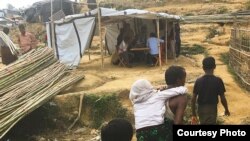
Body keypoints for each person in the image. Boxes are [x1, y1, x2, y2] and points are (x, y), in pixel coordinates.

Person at [191, 56, 230, 125]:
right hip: (212, 109)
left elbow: (193, 98)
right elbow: (223, 98)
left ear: (203, 68)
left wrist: (194, 113)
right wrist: (226, 109)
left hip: (201, 109)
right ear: (215, 66)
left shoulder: (198, 81)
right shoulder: (218, 80)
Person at [164, 65, 188, 141]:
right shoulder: (181, 98)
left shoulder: (159, 93)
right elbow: (177, 123)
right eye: (184, 78)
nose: (185, 81)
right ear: (178, 80)